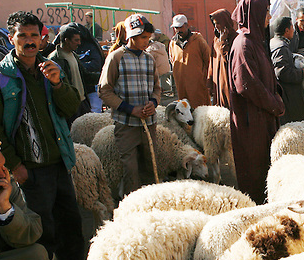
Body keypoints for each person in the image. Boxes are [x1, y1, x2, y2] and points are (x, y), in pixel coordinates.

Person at [0, 11, 85, 260]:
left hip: (59, 162)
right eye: (22, 35)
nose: (29, 41)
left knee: (70, 220)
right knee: (40, 226)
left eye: (34, 35)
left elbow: (71, 107)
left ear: (42, 37)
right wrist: (14, 165)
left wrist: (58, 83)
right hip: (30, 168)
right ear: (11, 38)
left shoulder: (51, 70)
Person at [228, 0, 284, 204]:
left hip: (263, 116)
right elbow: (247, 85)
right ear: (254, 15)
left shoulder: (255, 42)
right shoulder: (243, 45)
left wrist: (276, 95)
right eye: (265, 12)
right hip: (251, 121)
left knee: (266, 168)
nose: (269, 17)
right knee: (255, 171)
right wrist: (275, 103)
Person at [99, 15, 161, 198]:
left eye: (148, 38)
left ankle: (151, 207)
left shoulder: (149, 59)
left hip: (149, 124)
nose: (146, 42)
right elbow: (104, 91)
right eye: (142, 38)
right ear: (130, 36)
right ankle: (131, 209)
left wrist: (154, 102)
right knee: (131, 169)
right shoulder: (116, 58)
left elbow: (157, 88)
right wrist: (129, 108)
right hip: (126, 124)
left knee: (151, 166)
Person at [46, 25, 94, 125]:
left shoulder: (74, 55)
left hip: (82, 103)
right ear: (67, 40)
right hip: (70, 107)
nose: (79, 43)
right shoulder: (55, 59)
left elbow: (85, 76)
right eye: (76, 40)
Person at [271, 16, 304, 125]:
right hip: (287, 95)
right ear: (286, 30)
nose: (294, 31)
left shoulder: (274, 42)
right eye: (292, 28)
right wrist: (302, 73)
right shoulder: (281, 47)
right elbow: (281, 72)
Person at [169, 14, 211, 108]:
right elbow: (173, 60)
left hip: (198, 84)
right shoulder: (173, 43)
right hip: (181, 85)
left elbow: (208, 60)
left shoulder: (198, 40)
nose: (179, 30)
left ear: (187, 25)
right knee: (185, 110)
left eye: (181, 27)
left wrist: (207, 79)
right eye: (176, 28)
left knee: (201, 110)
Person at [209, 8, 236, 108]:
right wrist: (210, 82)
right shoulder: (216, 40)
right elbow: (212, 61)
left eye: (218, 23)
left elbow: (229, 60)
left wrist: (223, 43)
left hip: (228, 82)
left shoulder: (235, 39)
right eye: (214, 24)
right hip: (218, 83)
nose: (216, 27)